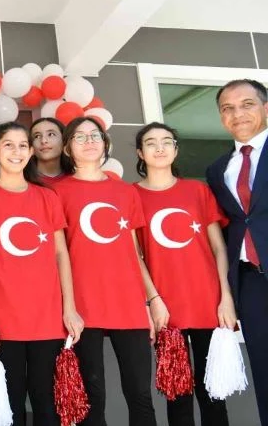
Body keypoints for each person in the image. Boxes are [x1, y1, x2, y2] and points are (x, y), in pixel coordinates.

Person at [0, 122, 83, 425]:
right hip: (3, 318)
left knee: (47, 404)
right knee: (11, 404)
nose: (16, 151)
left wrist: (69, 308)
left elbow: (61, 254)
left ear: (31, 152)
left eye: (22, 145)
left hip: (48, 316)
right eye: (8, 144)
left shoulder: (47, 198)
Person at [52, 117, 159, 426]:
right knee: (92, 396)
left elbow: (135, 252)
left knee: (140, 393)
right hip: (82, 304)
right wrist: (66, 306)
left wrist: (151, 300)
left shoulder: (125, 191)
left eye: (95, 135)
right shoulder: (55, 193)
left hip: (128, 303)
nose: (89, 141)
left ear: (105, 143)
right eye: (80, 136)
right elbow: (56, 255)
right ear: (68, 148)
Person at [134, 122, 234, 425]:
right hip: (166, 308)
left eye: (167, 141)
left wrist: (226, 297)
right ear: (140, 152)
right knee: (177, 395)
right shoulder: (131, 195)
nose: (160, 148)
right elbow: (134, 255)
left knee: (213, 393)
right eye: (151, 143)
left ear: (176, 150)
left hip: (207, 301)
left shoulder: (197, 191)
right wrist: (153, 299)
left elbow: (218, 248)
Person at [205, 79, 268, 425]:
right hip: (251, 283)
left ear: (265, 108)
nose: (237, 114)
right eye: (227, 109)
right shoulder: (218, 170)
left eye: (247, 104)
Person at [30, 117, 66, 185]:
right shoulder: (22, 181)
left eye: (51, 134)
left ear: (64, 141)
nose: (43, 141)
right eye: (37, 136)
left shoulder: (78, 178)